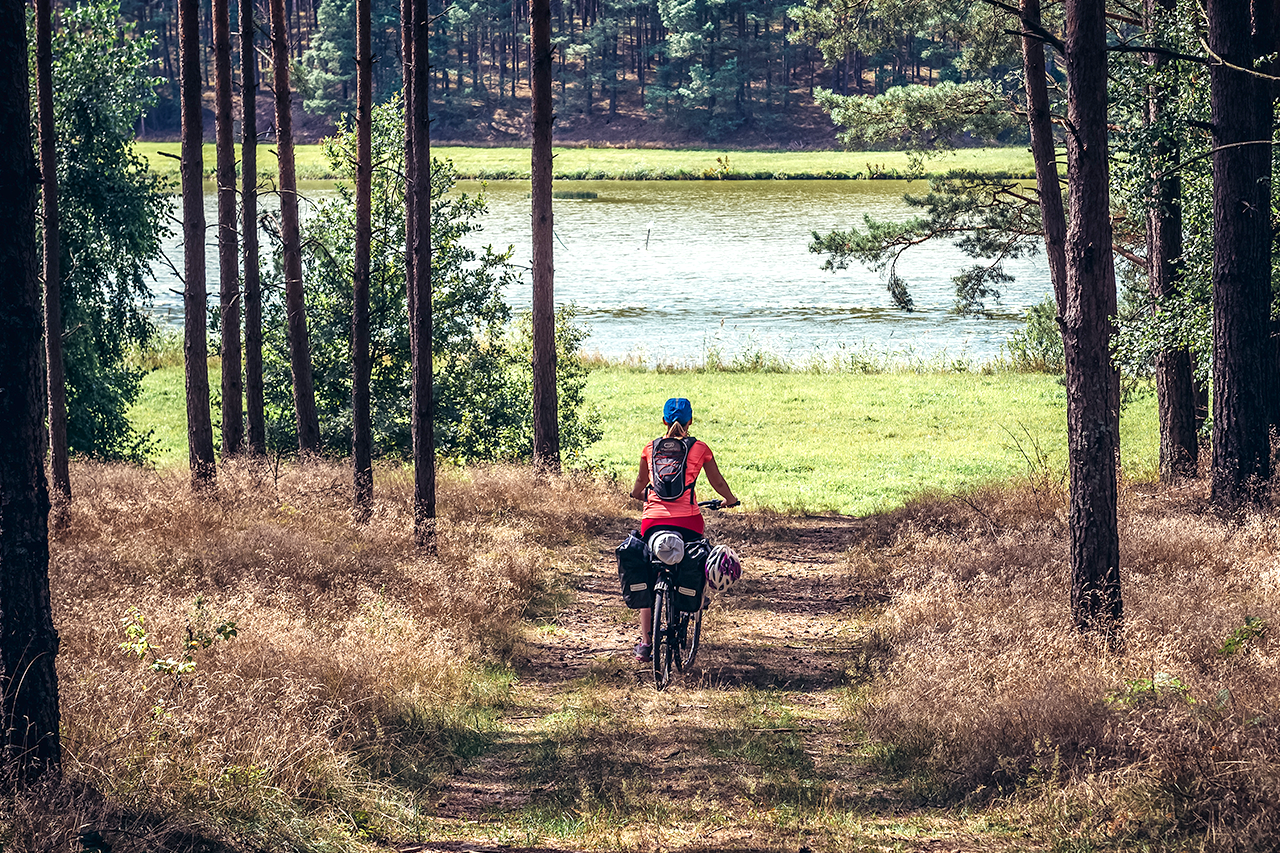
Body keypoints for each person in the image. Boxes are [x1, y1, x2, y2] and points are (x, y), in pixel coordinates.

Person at [629, 397, 739, 662]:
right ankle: (696, 598)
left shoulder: (650, 448)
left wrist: (649, 498)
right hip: (689, 522)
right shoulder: (700, 449)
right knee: (698, 556)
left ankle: (646, 643)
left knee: (647, 573)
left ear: (664, 420)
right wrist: (730, 500)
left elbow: (637, 490)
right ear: (690, 421)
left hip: (652, 522)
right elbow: (718, 482)